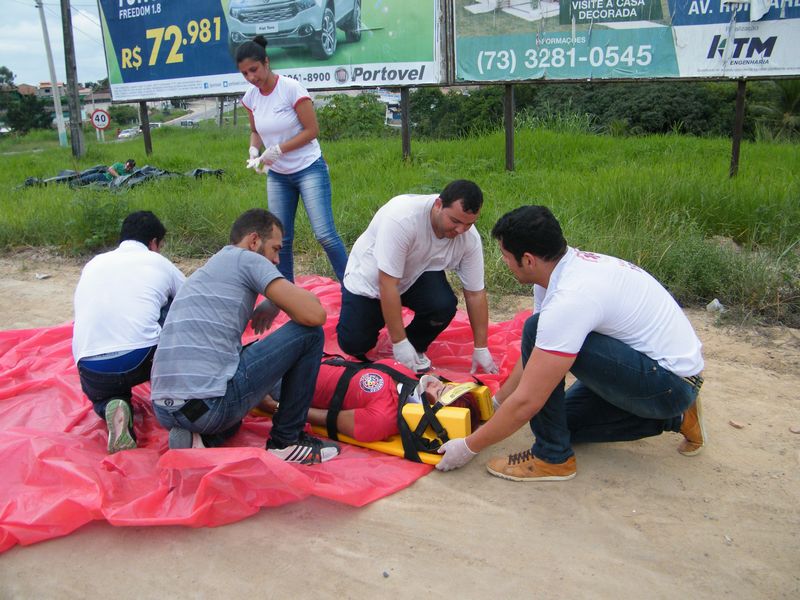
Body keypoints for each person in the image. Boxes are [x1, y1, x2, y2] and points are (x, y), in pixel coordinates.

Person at [436, 205, 706, 480]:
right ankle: (678, 417)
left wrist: (469, 446)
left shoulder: (569, 298)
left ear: (528, 260)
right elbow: (537, 355)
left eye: (506, 256)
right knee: (561, 424)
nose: (504, 262)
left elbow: (529, 399)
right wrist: (497, 402)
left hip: (666, 382)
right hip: (655, 368)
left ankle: (551, 457)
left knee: (537, 337)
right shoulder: (561, 270)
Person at [150, 208, 340, 464]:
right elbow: (314, 315)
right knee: (310, 334)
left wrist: (274, 302)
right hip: (209, 407)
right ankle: (286, 441)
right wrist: (280, 301)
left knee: (233, 409)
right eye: (275, 249)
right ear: (254, 241)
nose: (276, 260)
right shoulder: (248, 259)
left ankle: (198, 440)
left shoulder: (209, 269)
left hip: (165, 409)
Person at [336, 179, 499, 375]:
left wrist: (481, 347)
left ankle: (414, 346)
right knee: (355, 344)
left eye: (469, 224)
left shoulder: (469, 238)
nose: (460, 230)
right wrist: (399, 341)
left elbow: (475, 293)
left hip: (416, 272)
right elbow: (387, 283)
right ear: (438, 205)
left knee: (442, 305)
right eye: (455, 221)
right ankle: (395, 341)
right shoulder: (402, 219)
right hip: (373, 279)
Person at [236, 35, 348, 283]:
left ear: (266, 62)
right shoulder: (251, 97)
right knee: (280, 239)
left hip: (309, 168)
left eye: (254, 69)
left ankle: (353, 286)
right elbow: (255, 131)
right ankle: (285, 292)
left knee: (325, 234)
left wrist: (278, 149)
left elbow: (312, 130)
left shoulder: (291, 88)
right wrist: (254, 151)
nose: (251, 77)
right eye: (244, 73)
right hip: (278, 175)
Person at [72, 210, 185, 453]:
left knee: (105, 392)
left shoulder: (94, 264)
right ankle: (177, 395)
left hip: (91, 367)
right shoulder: (158, 262)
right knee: (172, 305)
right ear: (153, 243)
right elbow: (191, 298)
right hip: (141, 359)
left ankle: (111, 405)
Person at [259, 360, 484, 443]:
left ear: (435, 413)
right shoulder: (407, 377)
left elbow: (327, 418)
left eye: (441, 390)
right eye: (446, 384)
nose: (436, 382)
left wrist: (277, 408)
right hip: (305, 359)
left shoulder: (382, 420)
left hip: (281, 383)